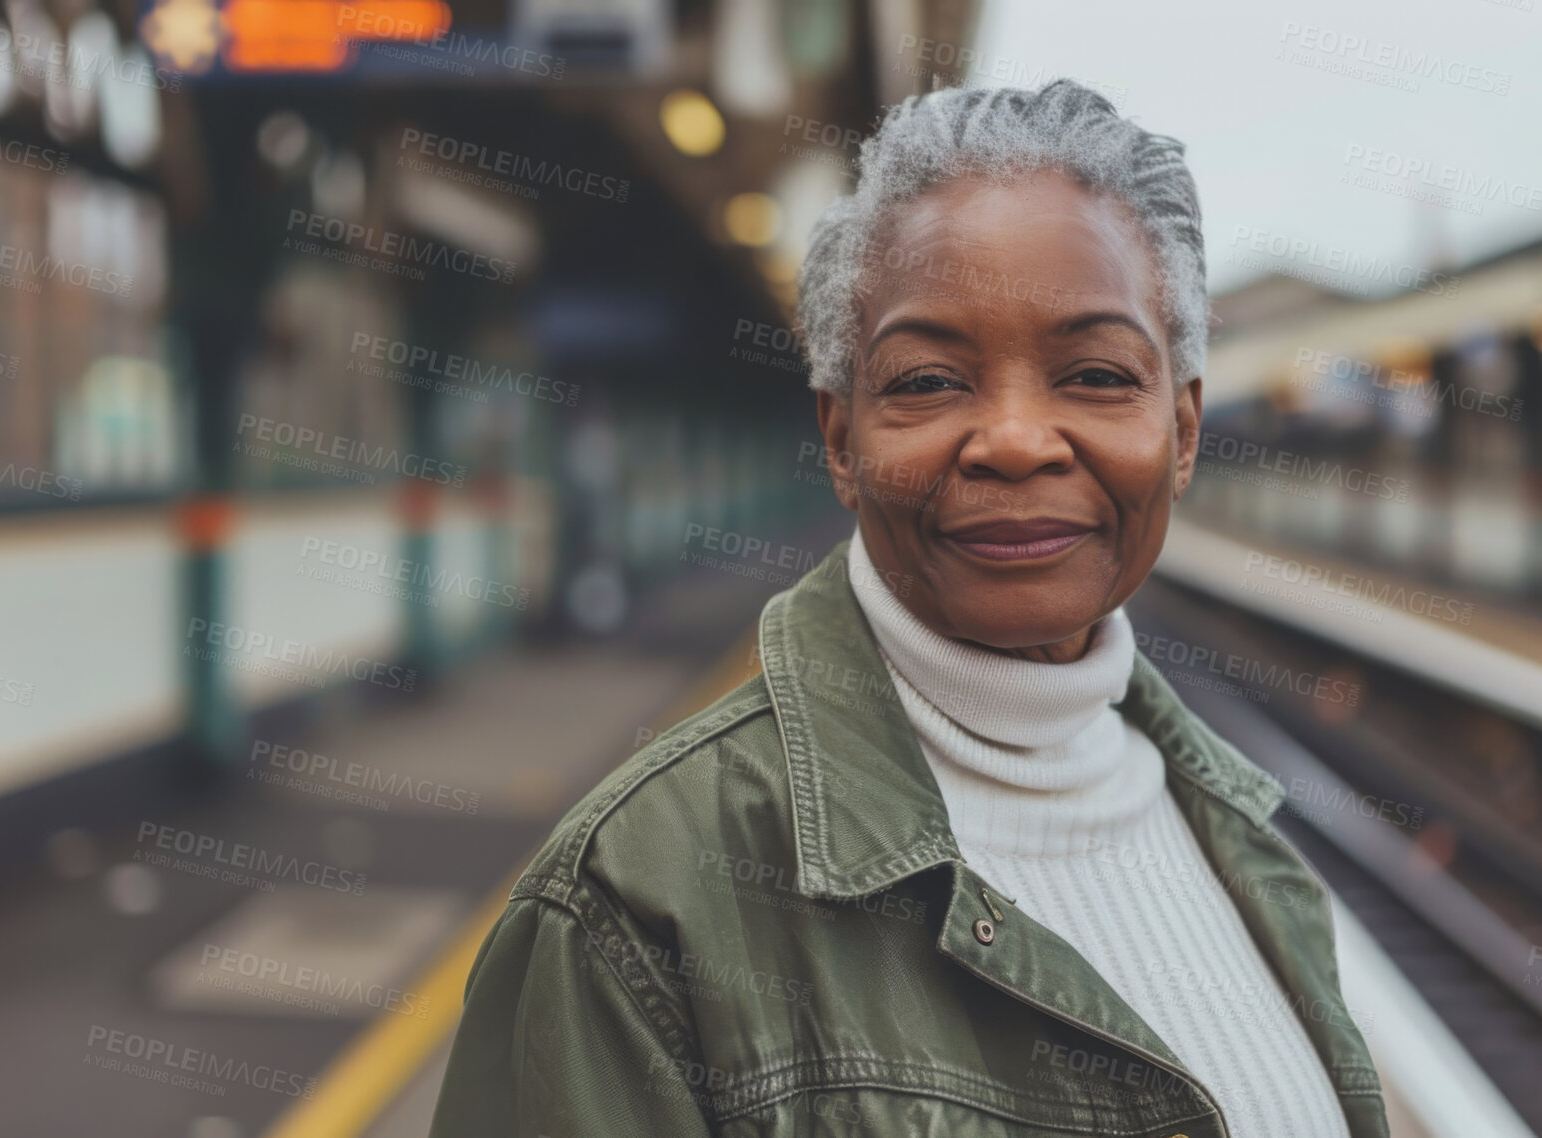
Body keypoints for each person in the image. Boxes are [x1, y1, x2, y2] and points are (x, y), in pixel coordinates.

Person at [429, 79, 1387, 1137]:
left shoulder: (1253, 855)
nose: (1017, 440)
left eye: (1098, 373)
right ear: (842, 441)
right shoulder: (633, 906)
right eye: (929, 382)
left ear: (1186, 429)